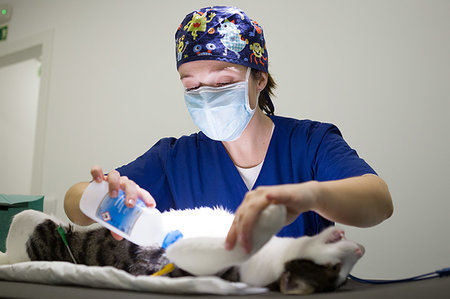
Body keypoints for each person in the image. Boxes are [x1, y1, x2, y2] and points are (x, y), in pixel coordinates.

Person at [64, 6, 393, 254]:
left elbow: (378, 200)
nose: (206, 97)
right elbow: (73, 204)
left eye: (223, 82)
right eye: (192, 87)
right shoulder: (175, 158)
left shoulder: (309, 142)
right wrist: (101, 194)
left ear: (259, 78)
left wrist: (307, 195)